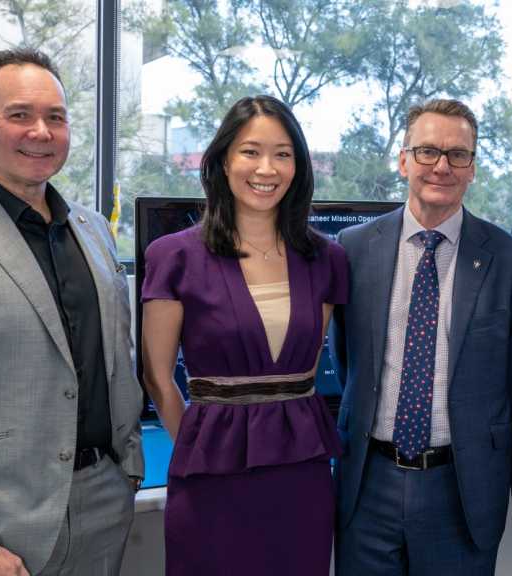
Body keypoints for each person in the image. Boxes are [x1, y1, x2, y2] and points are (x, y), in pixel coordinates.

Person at [0, 48, 143, 576]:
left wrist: (127, 468)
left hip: (104, 503)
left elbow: (117, 358)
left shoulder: (93, 232)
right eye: (20, 115)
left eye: (55, 117)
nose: (40, 131)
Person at [331, 98, 512, 576]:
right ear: (403, 160)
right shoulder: (354, 248)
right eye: (427, 152)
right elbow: (348, 361)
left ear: (473, 168)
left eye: (457, 155)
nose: (441, 166)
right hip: (368, 482)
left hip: (461, 488)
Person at [140, 94, 346, 575]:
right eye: (251, 151)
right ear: (223, 160)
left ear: (298, 166)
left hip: (301, 474)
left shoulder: (327, 258)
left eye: (282, 153)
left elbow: (310, 369)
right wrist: (195, 442)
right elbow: (157, 377)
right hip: (210, 473)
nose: (266, 168)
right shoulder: (174, 256)